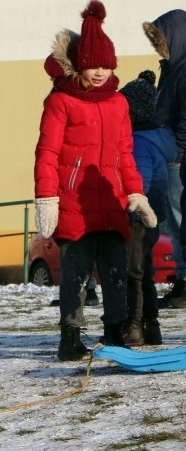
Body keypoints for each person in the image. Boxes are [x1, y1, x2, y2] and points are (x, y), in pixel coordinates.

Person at [33, 1, 157, 361]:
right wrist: (46, 198)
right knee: (74, 275)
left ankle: (115, 332)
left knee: (117, 273)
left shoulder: (119, 104)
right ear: (79, 65)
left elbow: (125, 154)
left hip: (112, 202)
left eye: (106, 65)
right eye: (92, 65)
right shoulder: (61, 102)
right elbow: (47, 154)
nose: (100, 72)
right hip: (74, 204)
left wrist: (136, 192)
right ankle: (70, 336)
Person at [119, 71, 177, 345]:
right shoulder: (158, 137)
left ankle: (133, 326)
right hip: (154, 215)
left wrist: (130, 210)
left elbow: (138, 185)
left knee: (133, 273)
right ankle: (151, 326)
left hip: (139, 216)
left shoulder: (140, 142)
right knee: (145, 272)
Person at [143, 10, 186, 308]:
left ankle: (184, 281)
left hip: (178, 160)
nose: (160, 48)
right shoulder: (171, 68)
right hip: (169, 156)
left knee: (180, 221)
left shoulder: (182, 71)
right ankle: (181, 279)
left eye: (162, 41)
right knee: (173, 222)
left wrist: (177, 154)